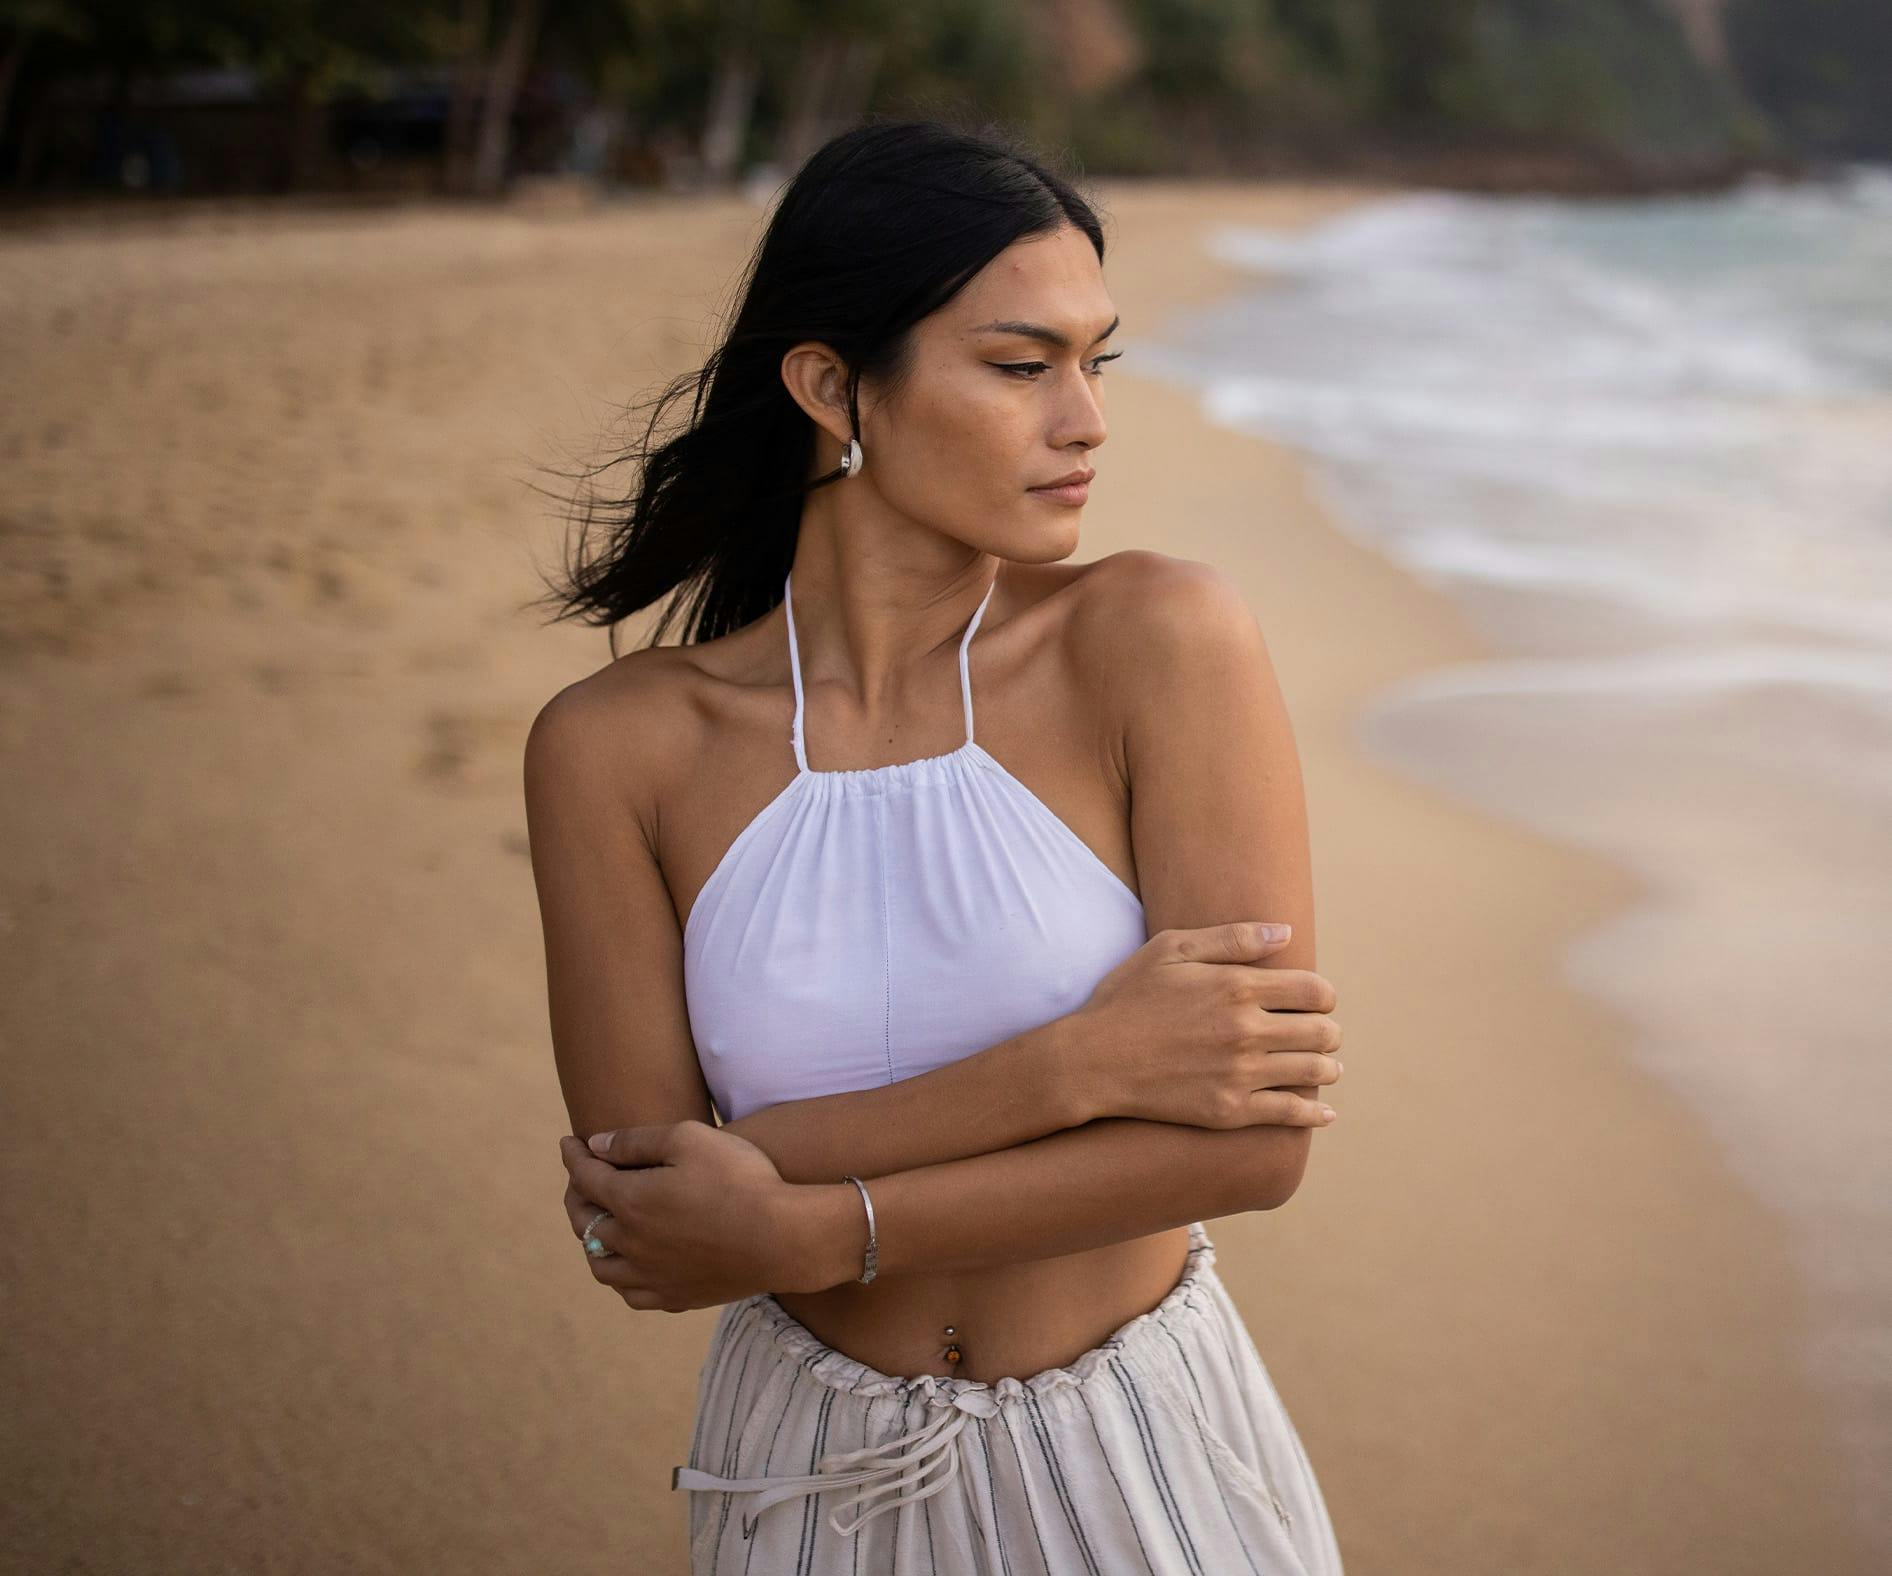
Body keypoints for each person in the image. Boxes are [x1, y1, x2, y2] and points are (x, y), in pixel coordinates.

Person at [524, 116, 1347, 1574]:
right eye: (1022, 367)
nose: (1086, 420)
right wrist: (1076, 1069)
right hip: (804, 1477)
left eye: (1099, 363)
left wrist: (803, 1226)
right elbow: (645, 1219)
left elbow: (1255, 1146)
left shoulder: (1157, 640)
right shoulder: (617, 749)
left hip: (1139, 1453)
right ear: (832, 387)